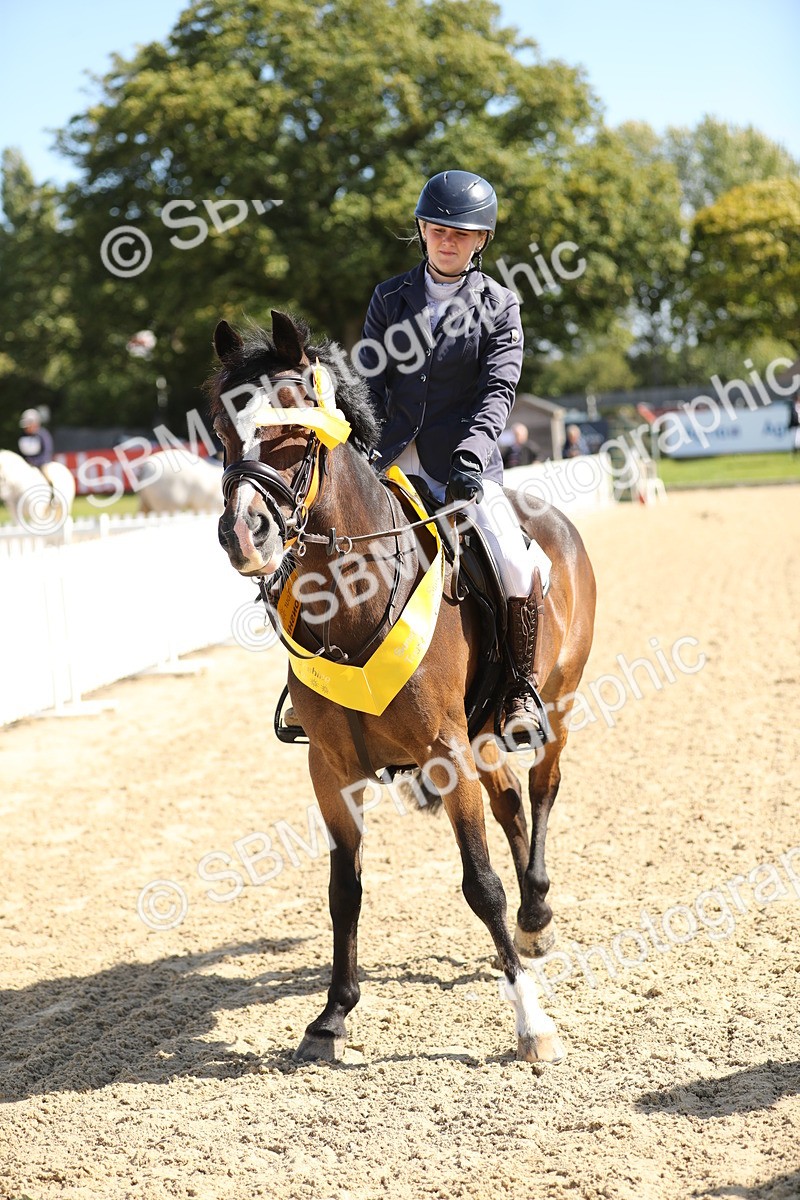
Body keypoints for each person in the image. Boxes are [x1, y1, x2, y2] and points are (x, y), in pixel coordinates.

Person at [357, 169, 553, 748]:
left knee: (517, 566)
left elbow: (498, 390)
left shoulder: (499, 305)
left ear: (480, 240)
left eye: (461, 233)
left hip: (463, 465)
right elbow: (367, 382)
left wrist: (470, 456)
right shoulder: (389, 298)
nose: (448, 240)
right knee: (326, 546)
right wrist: (363, 448)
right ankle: (310, 691)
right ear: (421, 230)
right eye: (438, 229)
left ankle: (519, 689)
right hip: (391, 461)